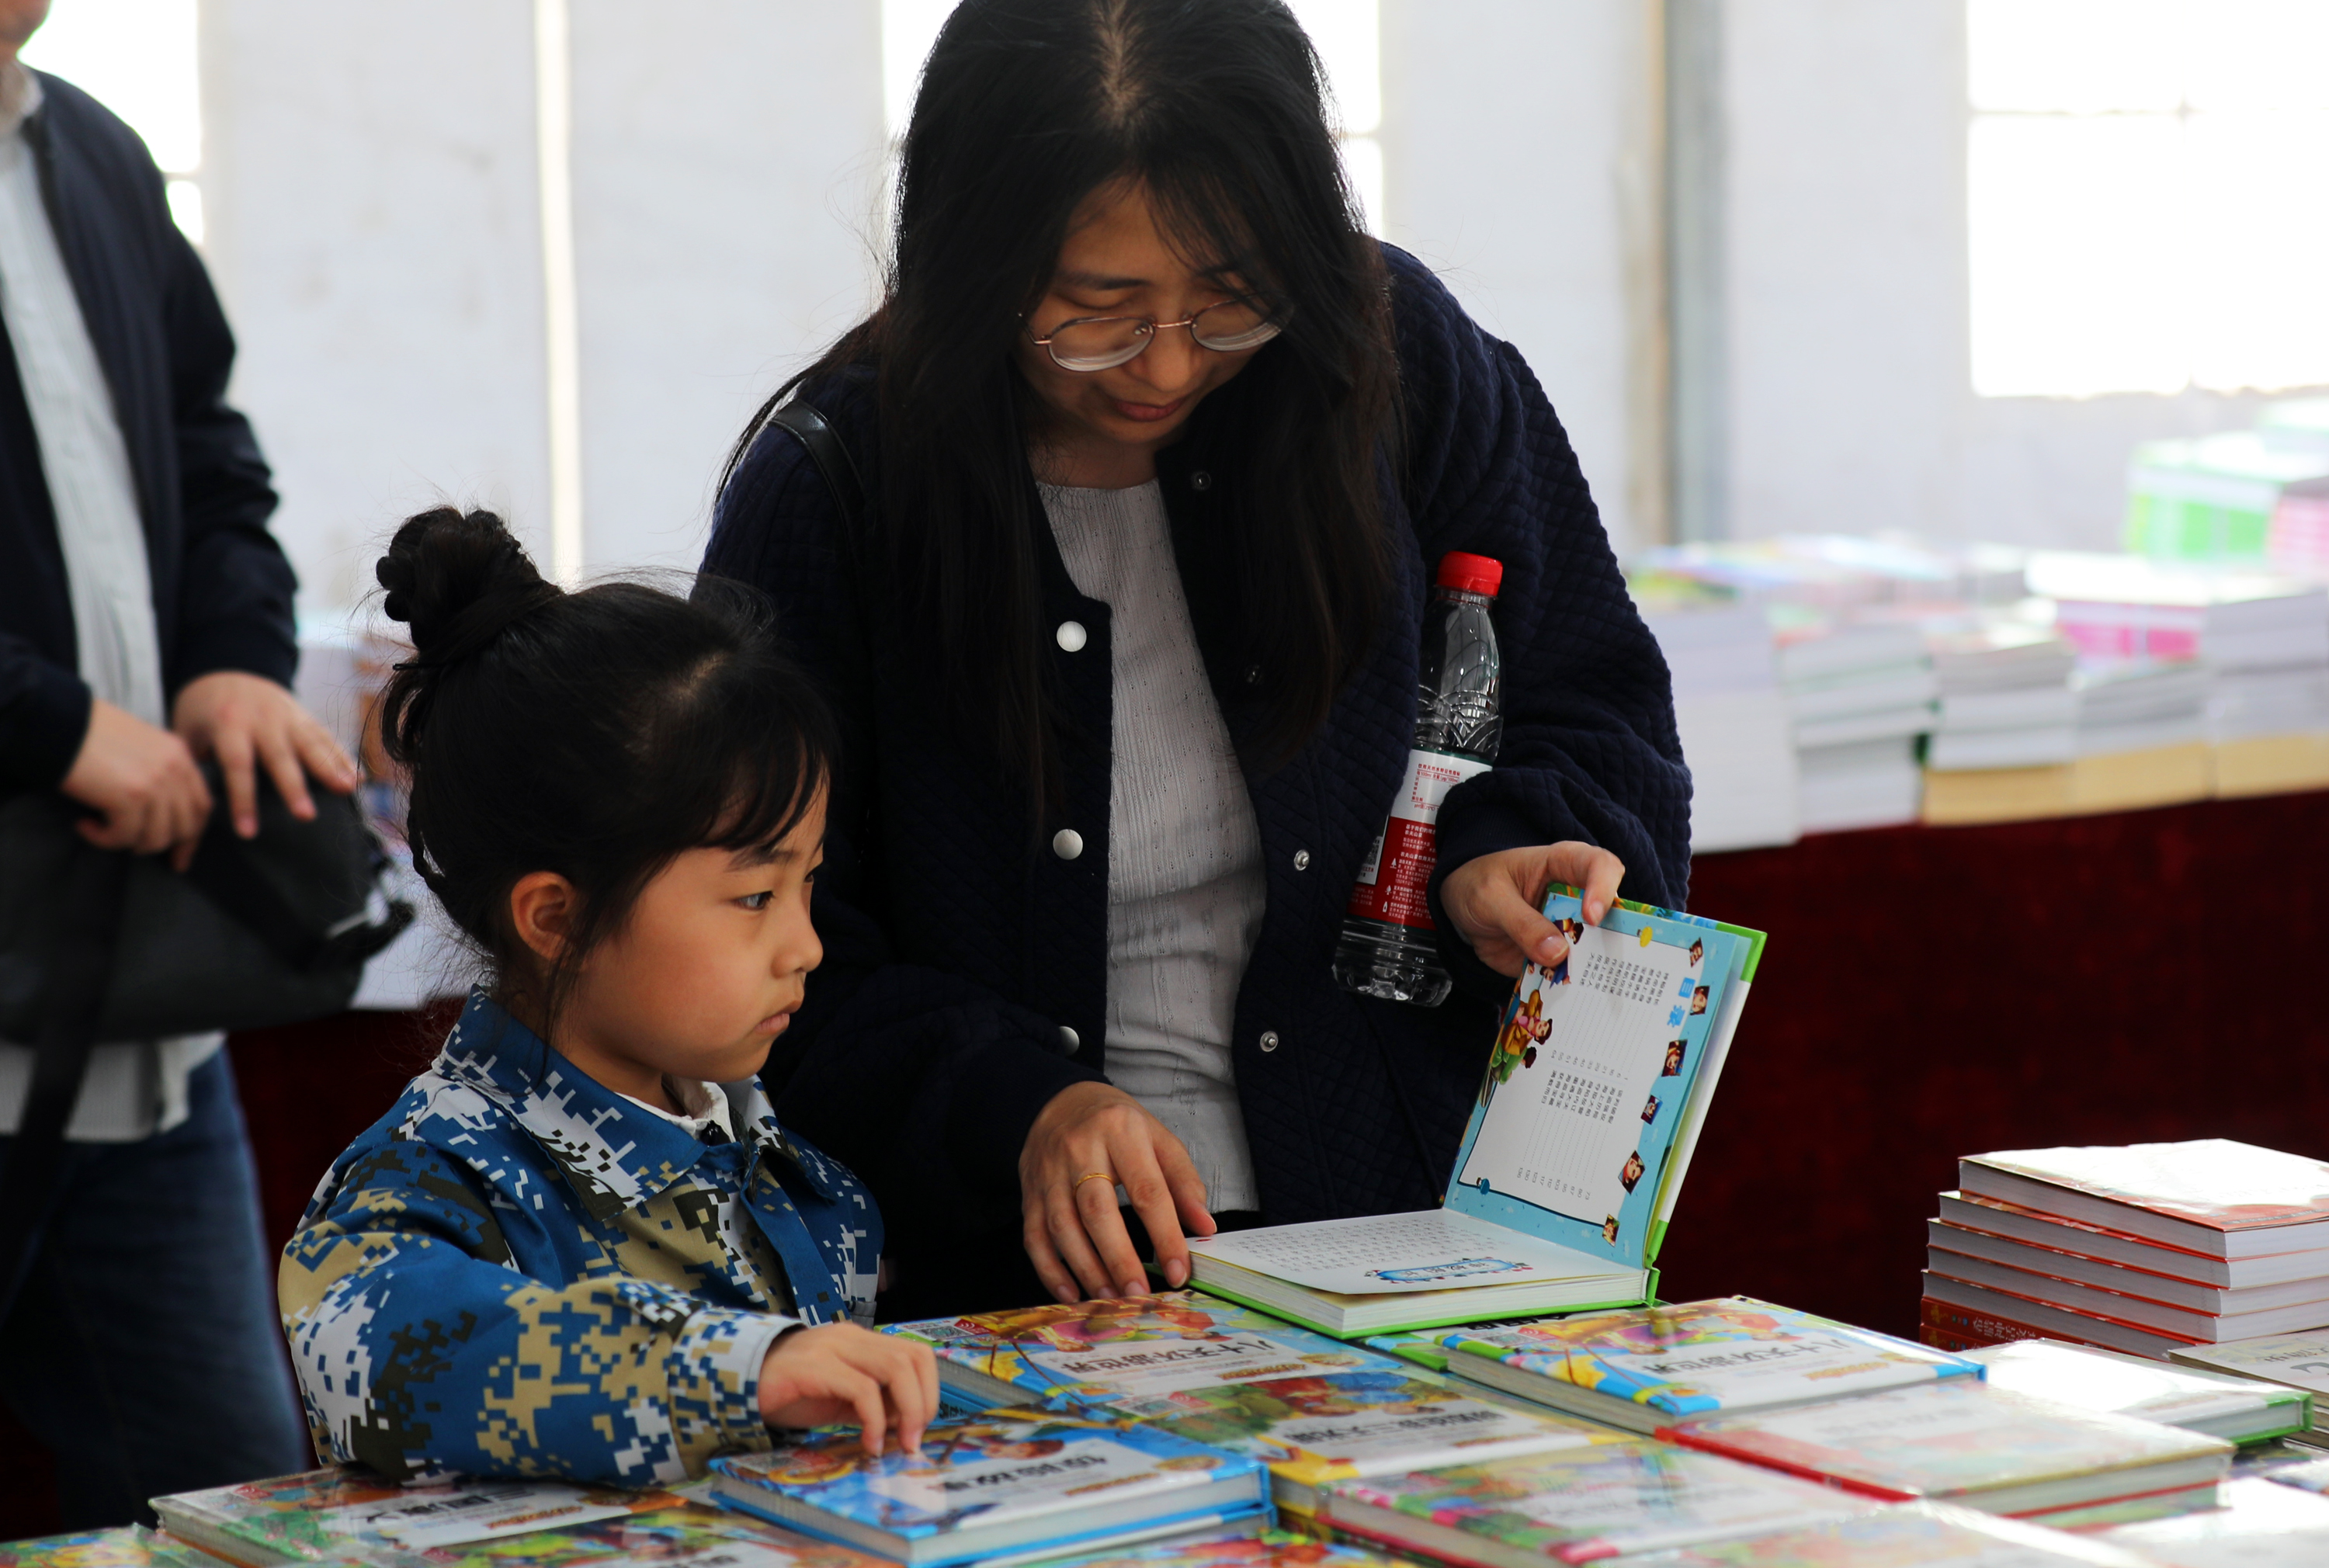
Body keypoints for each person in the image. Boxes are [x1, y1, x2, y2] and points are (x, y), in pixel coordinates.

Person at [701, 0, 1689, 1318]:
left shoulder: (1390, 363)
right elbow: (746, 928)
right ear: (974, 264)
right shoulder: (839, 490)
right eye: (1096, 315)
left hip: (1412, 1239)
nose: (1166, 365)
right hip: (1028, 1292)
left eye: (1231, 299)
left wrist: (1506, 847)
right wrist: (1018, 1102)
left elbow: (1594, 697)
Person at [277, 511, 937, 1484]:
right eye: (755, 897)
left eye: (807, 884)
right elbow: (385, 1347)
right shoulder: (437, 1178)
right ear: (557, 918)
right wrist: (740, 1370)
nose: (806, 945)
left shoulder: (797, 1179)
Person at [0, 1, 356, 1526]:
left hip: (136, 1021)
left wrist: (231, 660)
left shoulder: (91, 148)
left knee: (236, 1509)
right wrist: (50, 720)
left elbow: (212, 457)